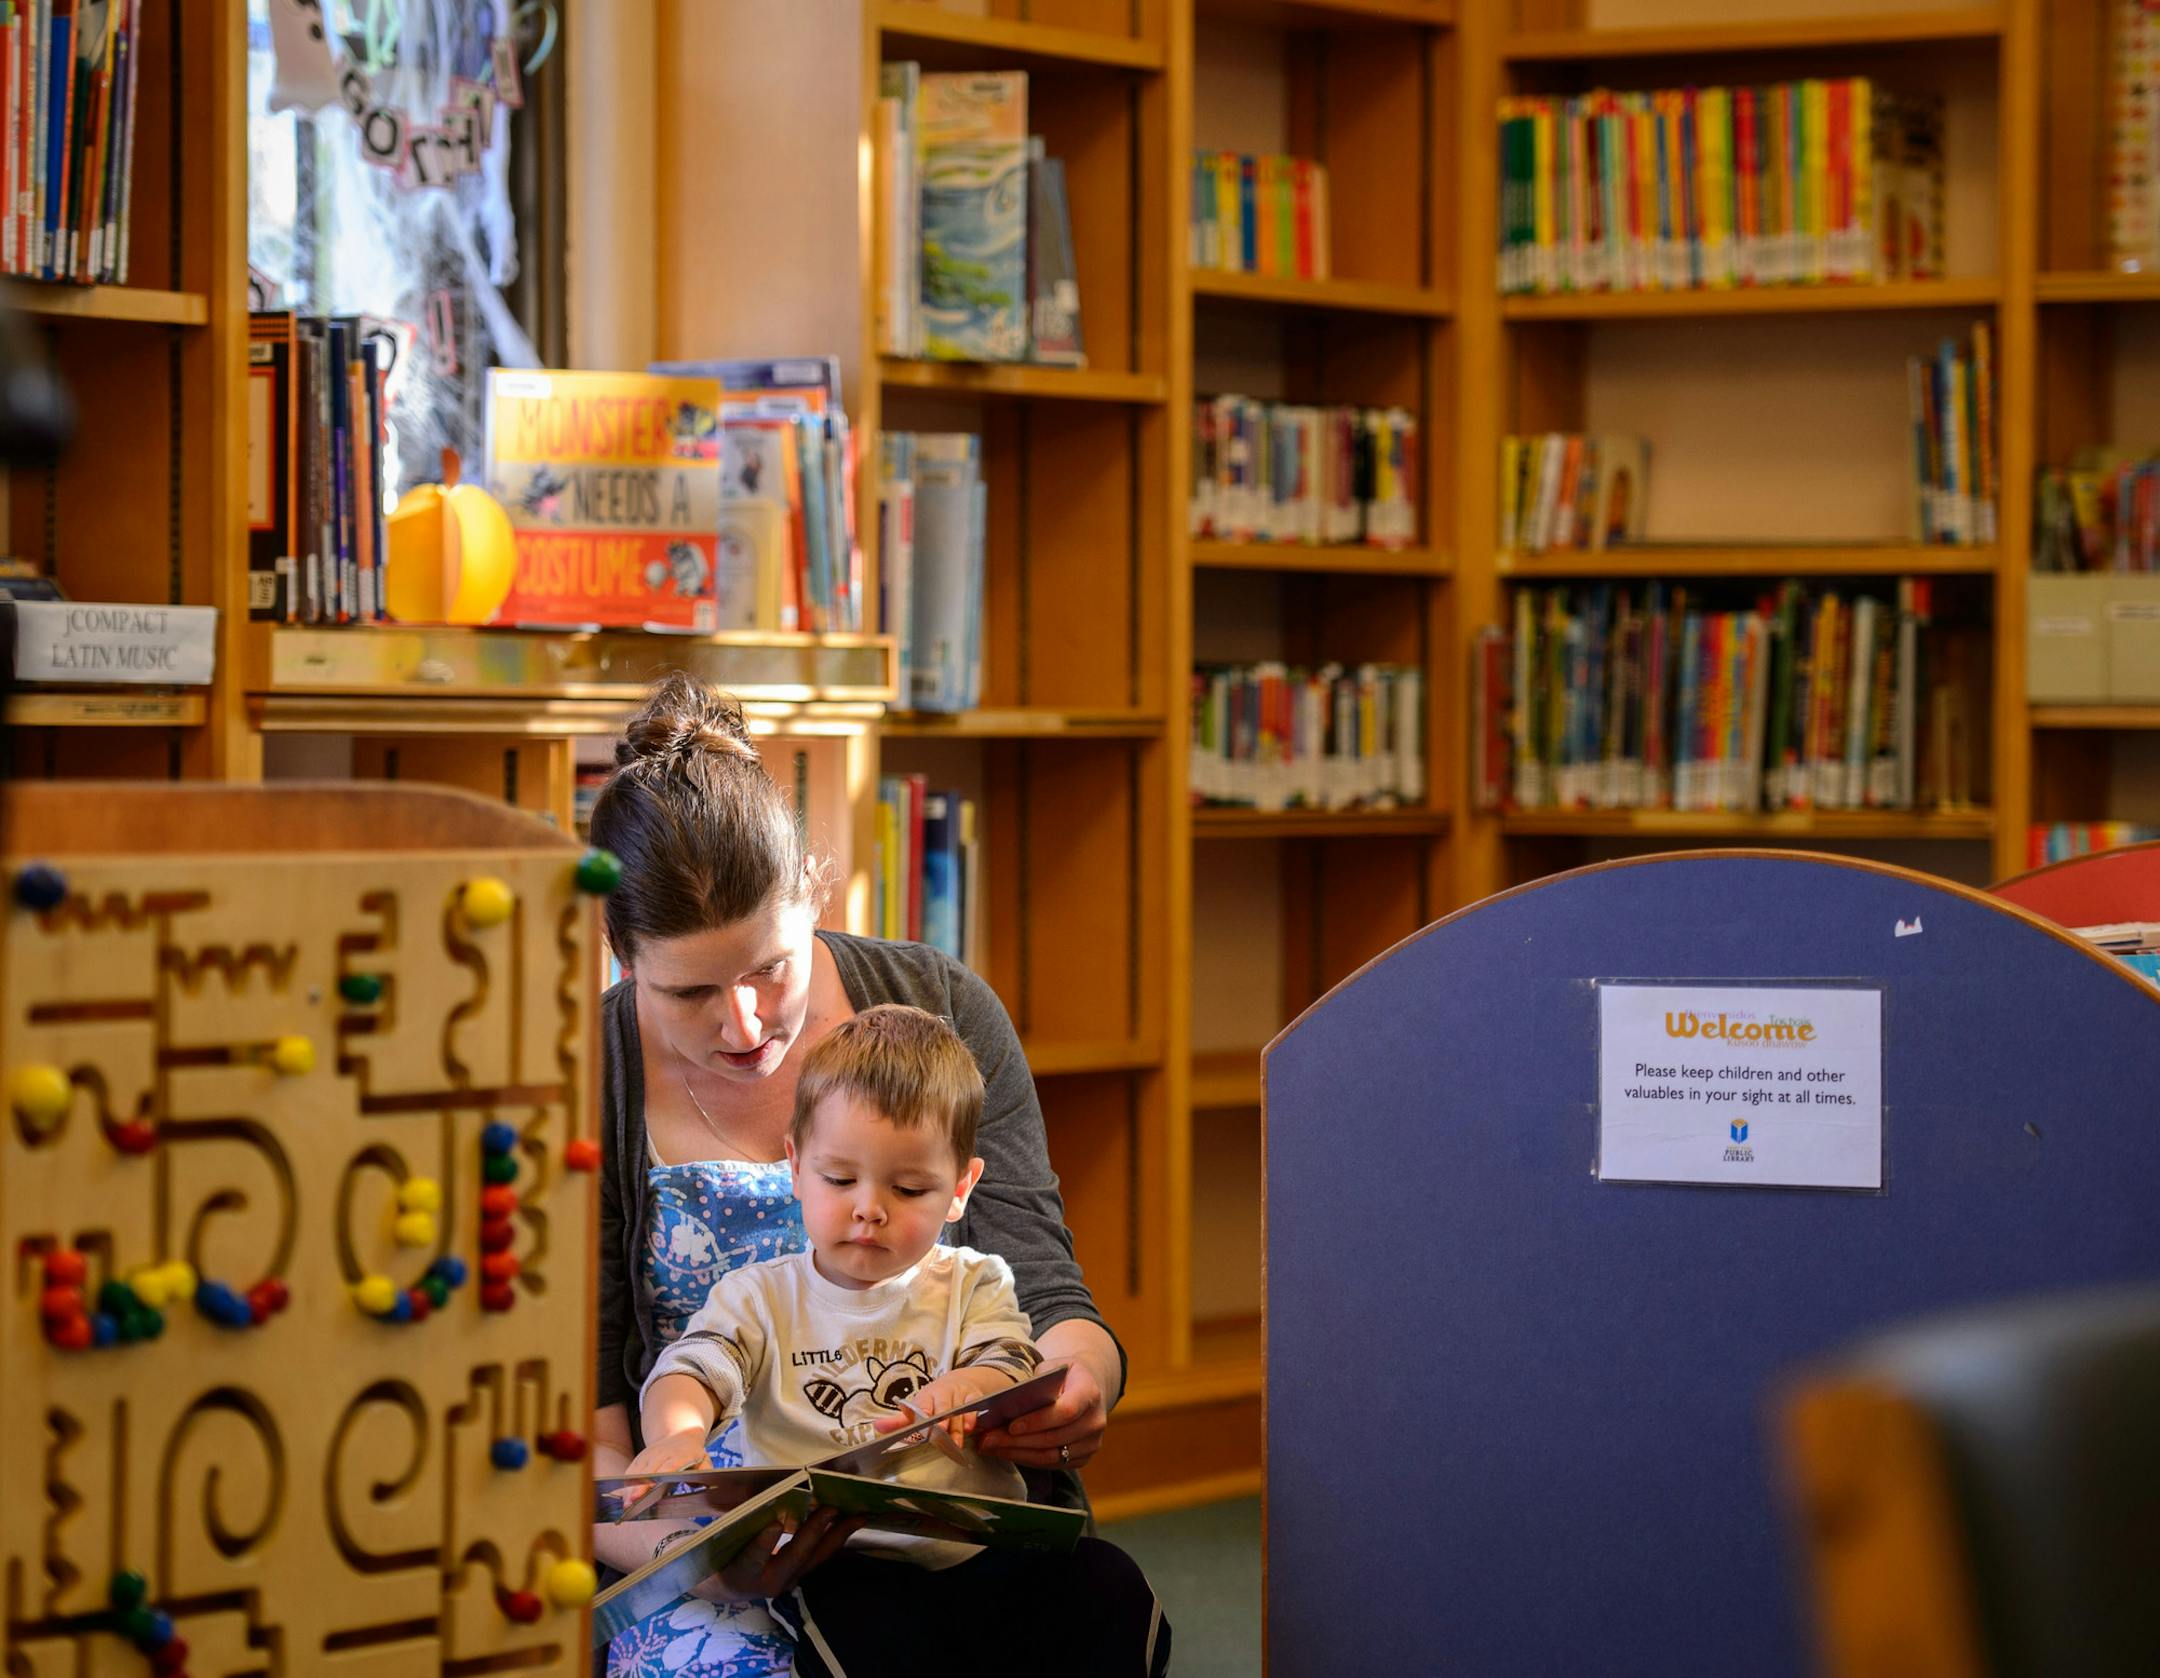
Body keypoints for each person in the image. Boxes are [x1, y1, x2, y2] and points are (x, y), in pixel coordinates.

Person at [589, 673, 1131, 1678]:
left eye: (769, 970)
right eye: (691, 991)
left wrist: (1077, 1385)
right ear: (619, 954)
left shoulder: (939, 1006)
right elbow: (589, 1435)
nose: (743, 1024)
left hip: (946, 1522)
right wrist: (697, 1556)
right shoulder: (586, 1084)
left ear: (812, 886)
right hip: (710, 1560)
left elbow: (1049, 1291)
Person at [630, 1004, 1169, 1675]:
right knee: (869, 1641)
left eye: (909, 1187)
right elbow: (694, 1367)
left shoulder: (973, 1282)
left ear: (960, 1189)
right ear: (795, 1167)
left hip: (980, 1541)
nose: (869, 1207)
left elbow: (1007, 1362)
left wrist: (955, 1396)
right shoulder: (760, 1296)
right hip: (842, 1559)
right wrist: (676, 1435)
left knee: (1111, 1583)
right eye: (839, 1179)